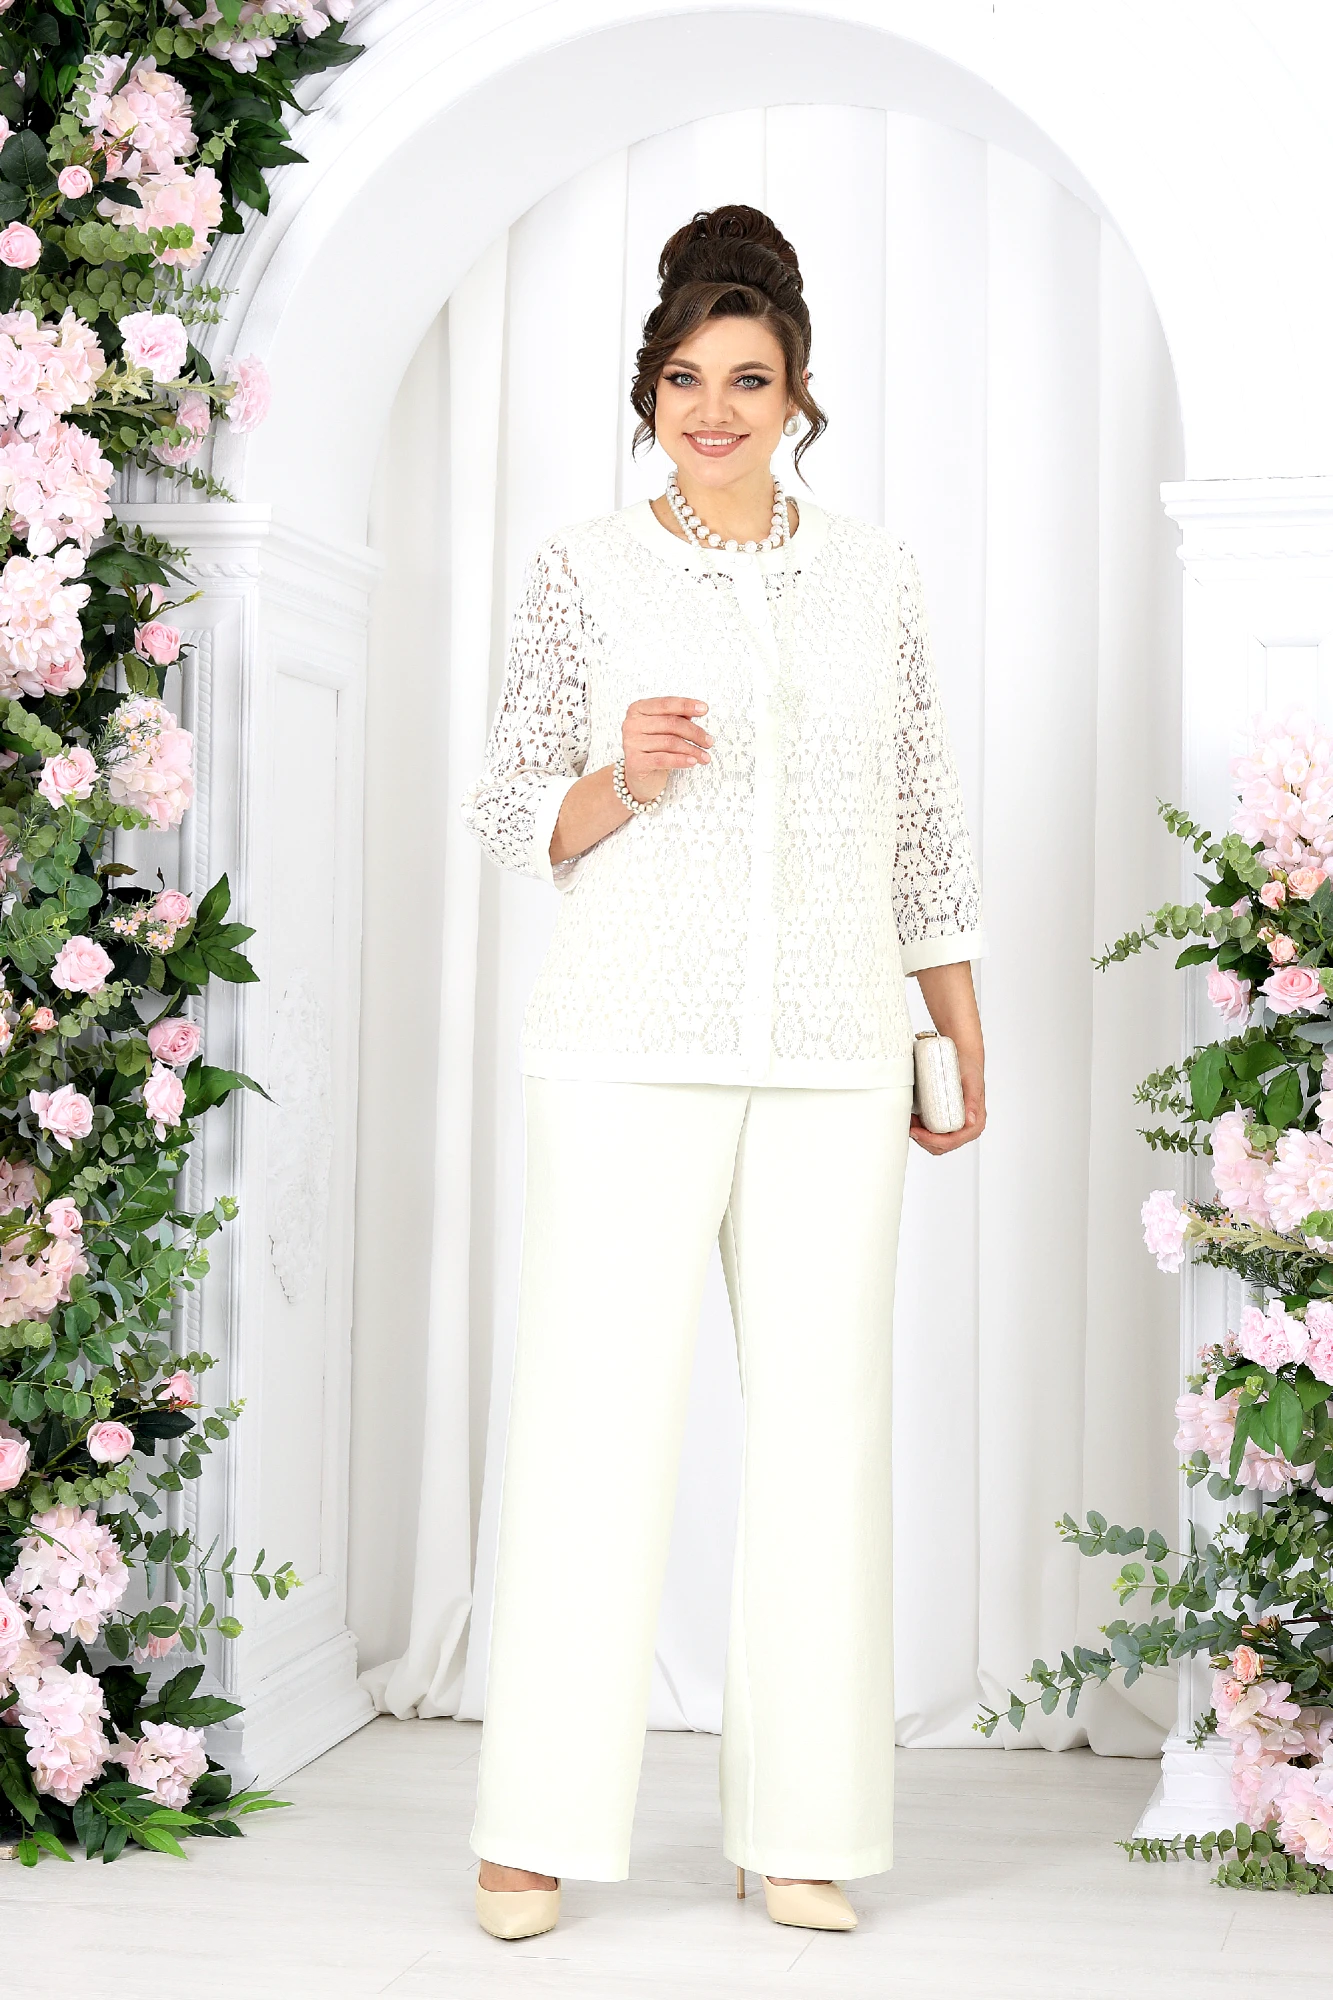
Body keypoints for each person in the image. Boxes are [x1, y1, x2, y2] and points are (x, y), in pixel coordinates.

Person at [460, 203, 986, 1942]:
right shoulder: (584, 571)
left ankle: (801, 1828)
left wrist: (955, 1022)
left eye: (746, 379)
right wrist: (623, 776)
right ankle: (533, 1828)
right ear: (650, 393)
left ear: (797, 391)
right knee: (593, 1427)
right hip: (624, 1049)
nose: (714, 409)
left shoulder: (878, 576)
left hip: (838, 1053)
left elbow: (920, 813)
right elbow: (509, 807)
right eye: (685, 378)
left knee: (827, 1437)